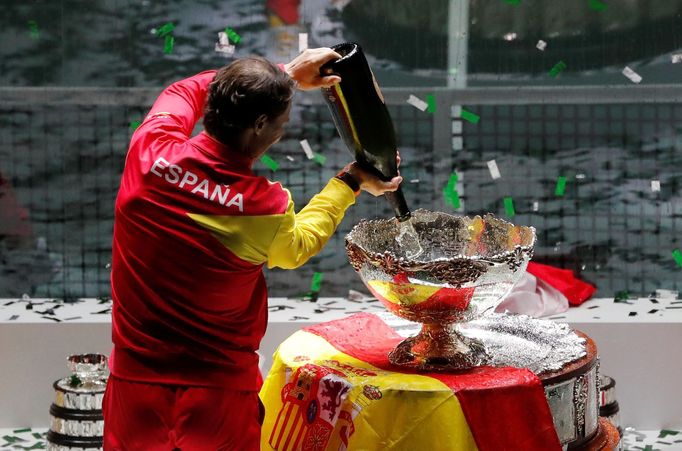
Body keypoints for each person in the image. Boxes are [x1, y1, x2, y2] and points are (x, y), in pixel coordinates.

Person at [103, 47, 402, 450]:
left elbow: (183, 89)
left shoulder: (148, 152)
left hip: (133, 388)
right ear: (260, 124)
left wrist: (286, 73)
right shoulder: (263, 206)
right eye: (280, 123)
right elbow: (297, 246)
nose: (281, 132)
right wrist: (350, 182)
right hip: (218, 397)